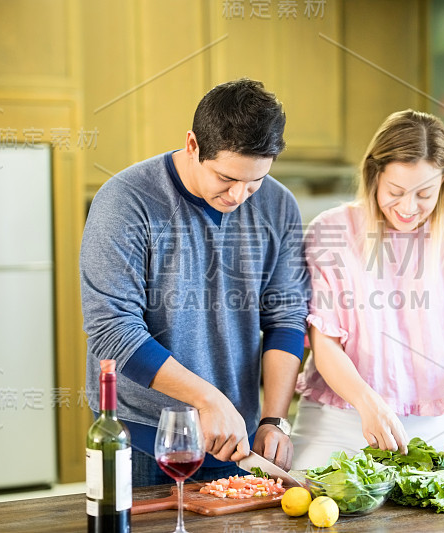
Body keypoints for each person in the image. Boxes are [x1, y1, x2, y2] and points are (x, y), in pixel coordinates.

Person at [80, 79, 310, 486]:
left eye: (254, 181)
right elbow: (112, 331)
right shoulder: (125, 200)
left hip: (237, 437)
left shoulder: (279, 205)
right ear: (192, 145)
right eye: (226, 178)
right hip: (142, 438)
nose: (240, 195)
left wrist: (275, 419)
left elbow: (286, 319)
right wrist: (207, 399)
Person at [290, 109, 444, 470]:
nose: (409, 208)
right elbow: (324, 341)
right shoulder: (331, 232)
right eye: (395, 192)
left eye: (425, 194)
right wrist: (369, 404)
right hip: (338, 422)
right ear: (374, 175)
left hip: (432, 428)